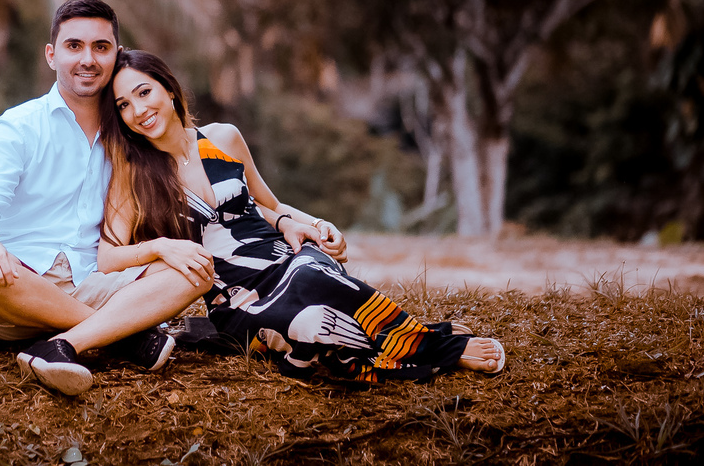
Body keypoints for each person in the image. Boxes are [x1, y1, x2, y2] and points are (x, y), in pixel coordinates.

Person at [97, 49, 506, 382]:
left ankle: (440, 347)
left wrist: (316, 224)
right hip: (237, 298)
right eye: (124, 105)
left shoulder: (223, 138)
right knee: (313, 325)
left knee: (310, 273)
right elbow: (108, 257)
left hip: (286, 258)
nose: (138, 109)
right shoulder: (134, 176)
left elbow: (272, 205)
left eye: (144, 92)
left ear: (169, 89)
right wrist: (163, 247)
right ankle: (392, 342)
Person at [0, 0, 213, 396]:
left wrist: (285, 217)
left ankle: (69, 339)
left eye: (100, 47)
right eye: (74, 46)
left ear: (116, 55)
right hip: (18, 286)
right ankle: (121, 336)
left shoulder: (132, 134)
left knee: (195, 270)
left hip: (94, 281)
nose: (87, 59)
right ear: (51, 55)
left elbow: (204, 172)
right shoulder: (20, 126)